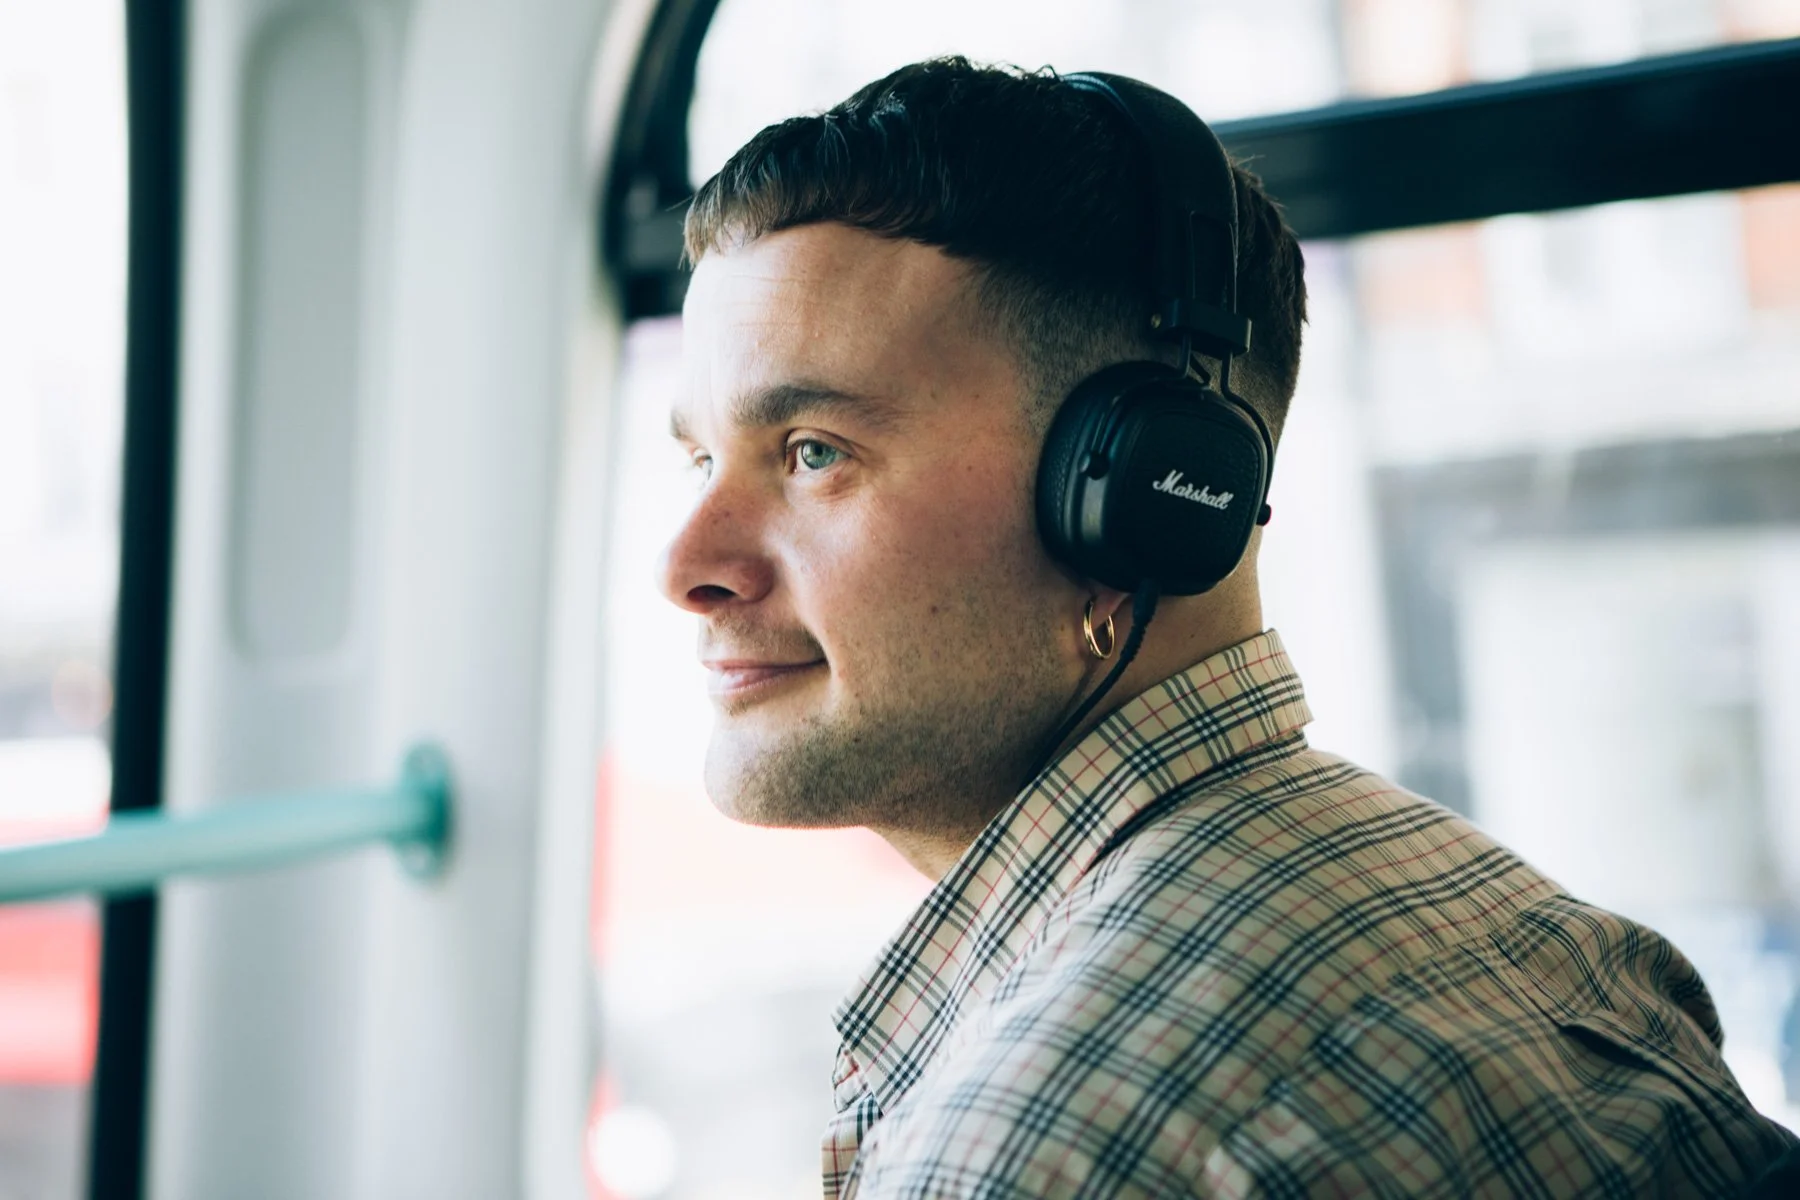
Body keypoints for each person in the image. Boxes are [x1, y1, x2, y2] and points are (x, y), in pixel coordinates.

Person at [657, 57, 1795, 1197]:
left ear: (1145, 499)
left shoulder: (1034, 1153)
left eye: (814, 453)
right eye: (701, 458)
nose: (686, 567)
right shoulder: (1562, 948)